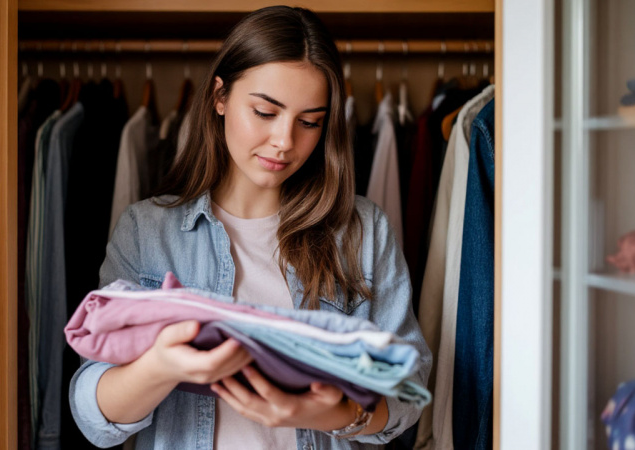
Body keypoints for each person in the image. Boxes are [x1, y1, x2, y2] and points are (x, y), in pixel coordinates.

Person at [69, 6, 431, 449]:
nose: (285, 141)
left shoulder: (361, 230)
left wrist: (330, 413)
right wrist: (162, 366)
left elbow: (409, 392)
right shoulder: (147, 230)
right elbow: (92, 415)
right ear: (220, 96)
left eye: (309, 122)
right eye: (265, 112)